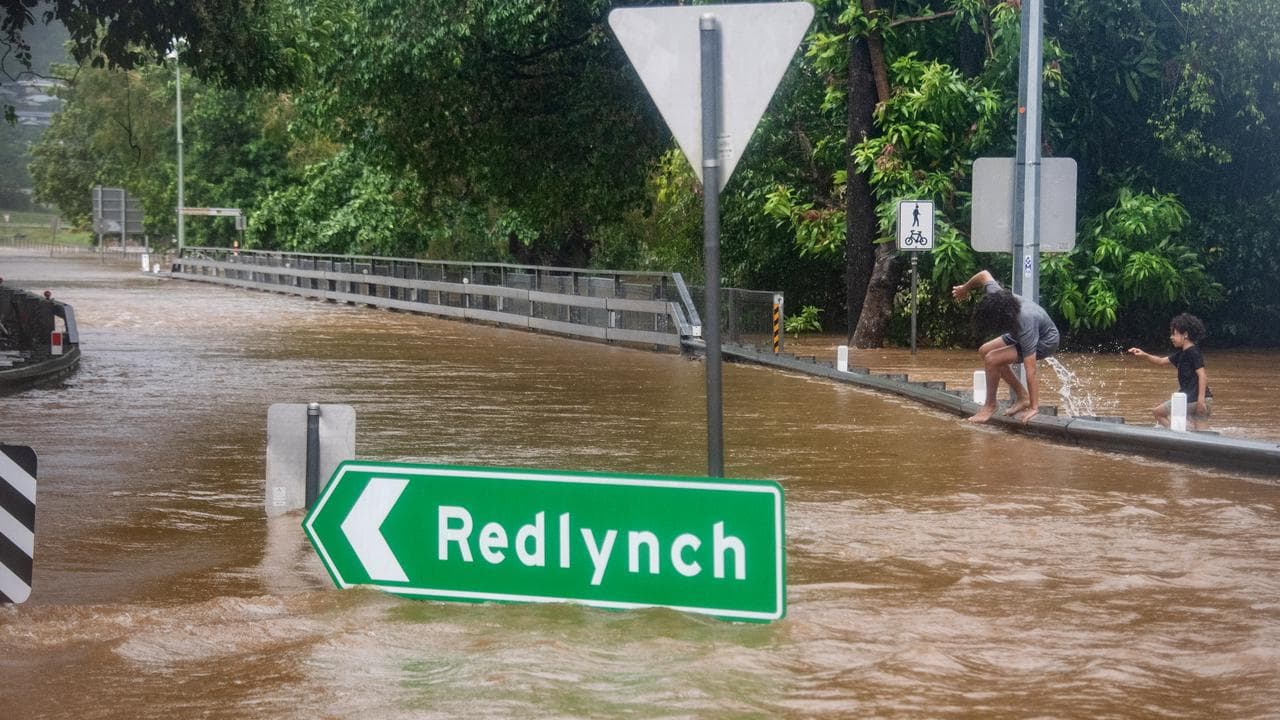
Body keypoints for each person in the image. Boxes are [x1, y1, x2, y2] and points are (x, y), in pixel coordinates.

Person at [951, 269, 1061, 423]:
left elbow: (1031, 370)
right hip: (1016, 330)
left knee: (992, 359)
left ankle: (990, 405)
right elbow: (984, 274)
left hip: (1046, 341)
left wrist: (1035, 408)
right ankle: (1022, 396)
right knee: (984, 351)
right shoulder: (996, 296)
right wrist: (965, 288)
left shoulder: (1025, 321)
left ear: (1002, 318)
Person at [1126, 313, 1213, 430]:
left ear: (1185, 334)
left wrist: (1200, 401)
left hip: (1196, 401)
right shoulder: (1181, 354)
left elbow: (1202, 375)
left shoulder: (1193, 352)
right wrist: (1144, 354)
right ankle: (1182, 433)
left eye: (1175, 334)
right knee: (1202, 436)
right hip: (1197, 400)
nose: (1171, 337)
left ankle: (1176, 433)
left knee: (1158, 412)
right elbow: (1161, 361)